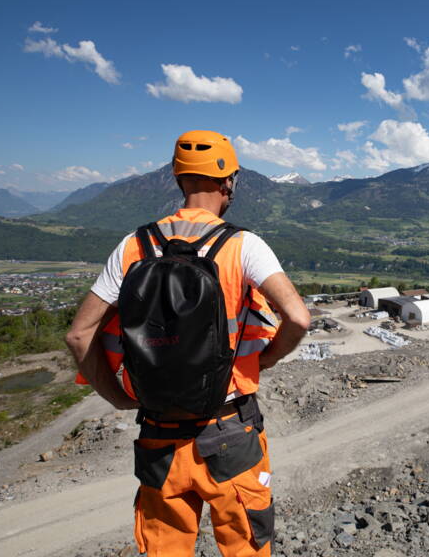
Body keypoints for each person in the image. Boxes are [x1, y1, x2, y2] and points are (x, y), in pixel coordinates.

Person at [65, 130, 310, 556]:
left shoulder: (133, 246)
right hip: (230, 428)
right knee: (246, 547)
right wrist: (265, 360)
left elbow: (78, 334)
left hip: (159, 434)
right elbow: (298, 317)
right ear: (228, 182)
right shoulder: (243, 245)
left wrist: (120, 398)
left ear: (179, 179)